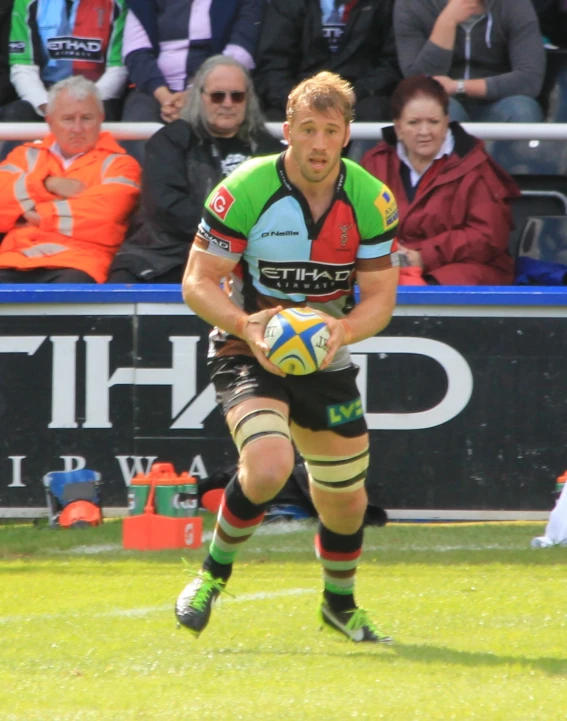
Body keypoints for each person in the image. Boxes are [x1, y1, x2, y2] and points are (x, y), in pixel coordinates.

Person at [175, 71, 400, 643]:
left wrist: (340, 332)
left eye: (330, 130)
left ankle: (340, 605)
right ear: (287, 131)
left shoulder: (372, 201)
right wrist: (244, 323)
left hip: (326, 357)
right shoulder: (243, 190)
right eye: (308, 130)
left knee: (347, 501)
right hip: (246, 347)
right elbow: (198, 282)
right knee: (270, 466)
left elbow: (380, 299)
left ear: (347, 134)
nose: (319, 143)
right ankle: (210, 577)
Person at [107, 56, 282, 284]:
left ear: (248, 99)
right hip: (166, 256)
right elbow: (167, 208)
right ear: (200, 97)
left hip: (247, 259)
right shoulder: (169, 141)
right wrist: (229, 232)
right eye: (218, 96)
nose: (227, 103)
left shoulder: (270, 151)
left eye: (237, 96)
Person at [361, 75, 520, 285]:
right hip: (390, 265)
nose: (424, 132)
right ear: (398, 127)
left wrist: (423, 256)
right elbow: (355, 223)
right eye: (414, 123)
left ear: (446, 122)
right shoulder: (375, 164)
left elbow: (488, 235)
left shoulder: (476, 165)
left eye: (433, 122)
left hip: (464, 267)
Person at [0, 75, 140, 283]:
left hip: (79, 264)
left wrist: (37, 214)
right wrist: (47, 184)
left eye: (86, 118)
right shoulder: (24, 155)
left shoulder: (121, 164)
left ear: (101, 119)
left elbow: (105, 218)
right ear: (50, 120)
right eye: (68, 119)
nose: (77, 128)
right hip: (13, 259)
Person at [393, 0, 546, 123]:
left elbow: (530, 80)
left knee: (521, 110)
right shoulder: (412, 5)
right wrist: (448, 21)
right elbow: (419, 82)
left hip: (500, 99)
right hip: (445, 100)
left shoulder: (514, 5)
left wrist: (457, 87)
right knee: (433, 108)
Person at [121, 0, 264, 124]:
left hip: (216, 89)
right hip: (155, 91)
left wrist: (192, 94)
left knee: (225, 109)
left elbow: (241, 51)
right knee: (138, 120)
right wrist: (166, 99)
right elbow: (136, 52)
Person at [254, 0, 400, 121]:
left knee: (374, 112)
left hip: (360, 97)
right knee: (274, 117)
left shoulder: (384, 4)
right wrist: (296, 99)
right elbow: (274, 63)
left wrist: (355, 93)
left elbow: (391, 63)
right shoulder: (287, 4)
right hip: (300, 93)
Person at [3, 0, 128, 123]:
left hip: (98, 99)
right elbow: (23, 67)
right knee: (16, 113)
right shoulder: (26, 2)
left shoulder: (118, 3)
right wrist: (47, 105)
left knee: (104, 114)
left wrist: (85, 105)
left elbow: (118, 69)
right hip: (46, 99)